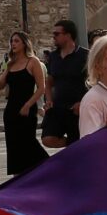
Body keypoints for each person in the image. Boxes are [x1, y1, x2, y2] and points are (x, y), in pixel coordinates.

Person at [0, 31, 47, 176]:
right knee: (13, 145)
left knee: (29, 142)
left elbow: (41, 88)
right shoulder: (10, 64)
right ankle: (18, 176)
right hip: (11, 110)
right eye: (12, 41)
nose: (13, 44)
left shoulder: (33, 61)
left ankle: (45, 169)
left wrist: (28, 105)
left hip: (27, 109)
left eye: (16, 41)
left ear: (24, 43)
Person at [39, 19, 87, 149]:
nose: (53, 37)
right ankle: (73, 144)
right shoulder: (53, 56)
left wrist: (83, 102)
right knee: (48, 138)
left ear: (68, 35)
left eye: (57, 34)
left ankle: (76, 147)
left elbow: (93, 82)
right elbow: (49, 82)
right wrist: (48, 100)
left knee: (78, 144)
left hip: (76, 108)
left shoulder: (85, 55)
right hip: (57, 107)